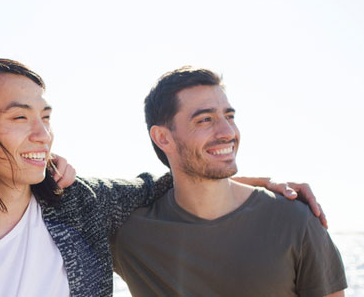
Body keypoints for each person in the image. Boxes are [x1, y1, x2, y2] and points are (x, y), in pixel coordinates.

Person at [0, 43, 325, 297]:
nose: (43, 134)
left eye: (46, 116)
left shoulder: (83, 205)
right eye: (20, 117)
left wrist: (260, 184)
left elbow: (172, 179)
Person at [111, 66, 347, 296]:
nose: (227, 132)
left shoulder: (296, 221)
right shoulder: (130, 234)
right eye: (205, 119)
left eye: (229, 116)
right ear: (163, 138)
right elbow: (79, 196)